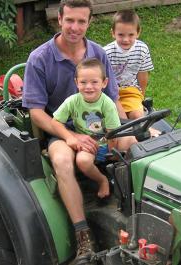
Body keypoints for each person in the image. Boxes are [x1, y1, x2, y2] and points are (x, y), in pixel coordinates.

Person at [22, 1, 132, 264]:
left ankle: (128, 206)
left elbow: (113, 98)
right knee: (61, 160)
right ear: (58, 19)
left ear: (89, 23)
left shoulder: (97, 53)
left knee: (133, 142)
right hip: (61, 129)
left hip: (98, 128)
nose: (75, 27)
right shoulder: (39, 58)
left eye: (81, 21)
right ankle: (82, 233)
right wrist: (70, 137)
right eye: (69, 20)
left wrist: (127, 127)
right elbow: (36, 113)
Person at [51, 58, 122, 199]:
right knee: (82, 161)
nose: (88, 87)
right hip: (88, 143)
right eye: (83, 82)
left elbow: (113, 133)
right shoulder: (72, 101)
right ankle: (102, 180)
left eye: (94, 82)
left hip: (109, 141)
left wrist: (111, 153)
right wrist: (70, 137)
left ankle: (124, 178)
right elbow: (56, 122)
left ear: (104, 83)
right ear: (76, 82)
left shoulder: (107, 104)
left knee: (132, 143)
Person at [104, 9, 155, 120]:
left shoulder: (142, 49)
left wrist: (141, 96)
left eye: (131, 35)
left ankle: (147, 131)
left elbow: (143, 74)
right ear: (113, 33)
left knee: (138, 117)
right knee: (119, 120)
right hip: (111, 93)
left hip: (131, 91)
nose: (126, 39)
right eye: (121, 35)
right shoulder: (106, 52)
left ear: (138, 32)